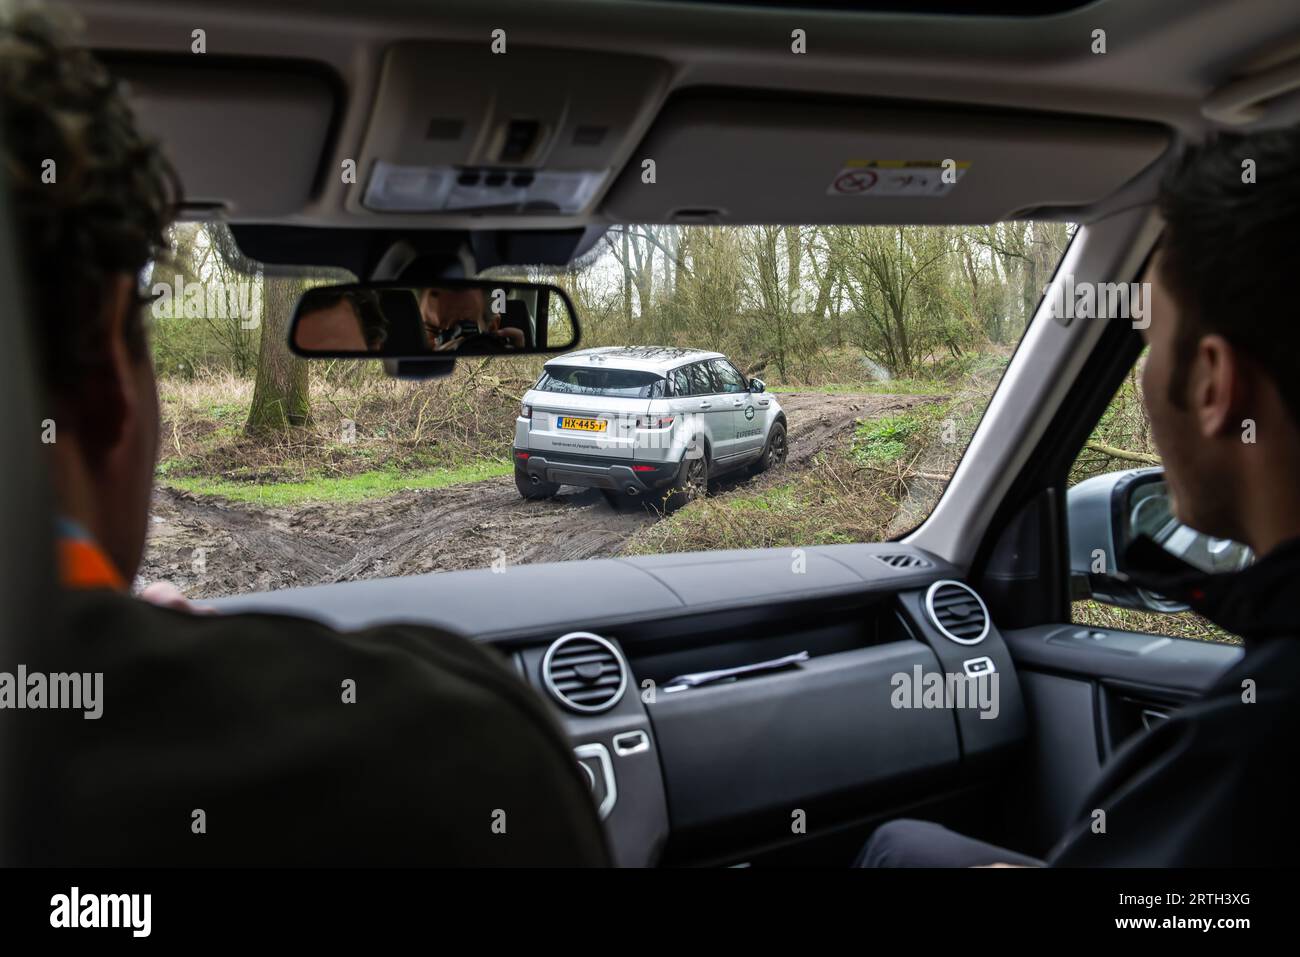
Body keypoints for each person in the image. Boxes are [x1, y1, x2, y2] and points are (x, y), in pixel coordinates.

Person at [1, 7, 607, 866]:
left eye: (459, 314)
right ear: (105, 374)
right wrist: (172, 659)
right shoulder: (449, 758)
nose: (448, 316)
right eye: (442, 309)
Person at [861, 125, 1300, 867]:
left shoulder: (1252, 751)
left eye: (1149, 344)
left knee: (896, 848)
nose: (1141, 378)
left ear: (1214, 384)